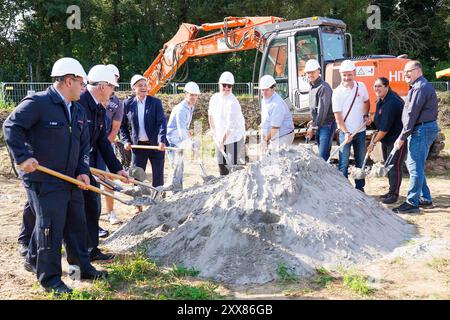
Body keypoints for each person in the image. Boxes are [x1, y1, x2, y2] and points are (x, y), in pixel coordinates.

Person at [3, 57, 108, 294]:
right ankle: (50, 279)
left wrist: (83, 172)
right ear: (69, 80)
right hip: (43, 178)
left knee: (76, 224)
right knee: (50, 227)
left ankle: (80, 268)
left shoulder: (78, 109)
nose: (84, 88)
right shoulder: (39, 103)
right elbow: (12, 127)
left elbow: (83, 146)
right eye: (82, 83)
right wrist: (22, 157)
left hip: (70, 178)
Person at [78, 64, 128, 262]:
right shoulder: (79, 104)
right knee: (68, 209)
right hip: (70, 164)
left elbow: (102, 142)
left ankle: (91, 250)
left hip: (84, 163)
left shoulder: (99, 108)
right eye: (112, 88)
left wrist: (118, 168)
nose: (113, 92)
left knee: (92, 203)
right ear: (101, 87)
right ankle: (33, 246)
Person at [392, 60, 439, 213]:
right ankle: (425, 199)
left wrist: (401, 137)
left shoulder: (419, 87)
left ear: (418, 71)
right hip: (421, 129)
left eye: (409, 71)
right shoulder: (418, 86)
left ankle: (412, 203)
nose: (406, 74)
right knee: (415, 165)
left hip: (421, 130)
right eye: (404, 71)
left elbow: (412, 114)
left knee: (414, 167)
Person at [120, 74, 167, 191]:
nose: (143, 87)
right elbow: (122, 126)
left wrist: (161, 140)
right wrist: (125, 141)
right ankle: (138, 204)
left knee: (158, 175)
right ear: (133, 88)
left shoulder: (155, 102)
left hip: (155, 146)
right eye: (140, 85)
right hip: (138, 146)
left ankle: (158, 199)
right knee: (137, 176)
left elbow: (161, 122)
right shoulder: (127, 104)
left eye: (145, 85)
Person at [332, 59, 370, 192]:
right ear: (341, 74)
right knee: (343, 163)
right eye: (344, 75)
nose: (347, 78)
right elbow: (338, 117)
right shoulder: (337, 92)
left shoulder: (361, 87)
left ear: (354, 73)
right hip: (345, 133)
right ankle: (344, 190)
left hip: (360, 131)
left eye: (349, 74)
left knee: (360, 161)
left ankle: (360, 189)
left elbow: (366, 102)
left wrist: (366, 115)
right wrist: (346, 132)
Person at [367, 77, 406, 204]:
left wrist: (372, 143)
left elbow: (384, 129)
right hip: (387, 139)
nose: (376, 89)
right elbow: (379, 117)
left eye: (379, 86)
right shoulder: (382, 100)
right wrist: (371, 120)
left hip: (397, 139)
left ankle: (394, 195)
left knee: (395, 166)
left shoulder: (392, 102)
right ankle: (390, 191)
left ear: (386, 86)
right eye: (375, 86)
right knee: (388, 166)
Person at [95, 64, 124, 225]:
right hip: (89, 144)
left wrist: (104, 146)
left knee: (106, 179)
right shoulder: (91, 96)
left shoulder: (117, 103)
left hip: (105, 144)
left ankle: (110, 211)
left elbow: (115, 129)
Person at [208, 72, 246, 175]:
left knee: (231, 164)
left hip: (234, 137)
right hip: (220, 135)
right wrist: (213, 130)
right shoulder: (214, 98)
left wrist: (222, 142)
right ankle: (223, 185)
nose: (226, 88)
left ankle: (235, 184)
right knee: (221, 163)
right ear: (219, 84)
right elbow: (211, 115)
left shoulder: (233, 103)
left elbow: (230, 127)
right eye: (224, 85)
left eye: (229, 86)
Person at [165, 82, 200, 189]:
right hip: (173, 141)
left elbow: (185, 127)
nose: (193, 97)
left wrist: (190, 139)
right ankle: (175, 191)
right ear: (185, 94)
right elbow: (181, 130)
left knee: (179, 167)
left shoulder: (191, 106)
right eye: (191, 95)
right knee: (177, 167)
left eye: (195, 95)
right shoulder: (181, 109)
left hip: (180, 140)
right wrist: (190, 143)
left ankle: (175, 189)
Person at [305, 59, 336, 160]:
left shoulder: (323, 87)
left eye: (313, 72)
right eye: (308, 73)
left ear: (319, 71)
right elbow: (316, 109)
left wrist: (313, 127)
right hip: (319, 124)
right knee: (321, 155)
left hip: (326, 125)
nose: (310, 75)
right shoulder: (312, 86)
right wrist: (313, 121)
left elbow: (322, 111)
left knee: (323, 156)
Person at [259, 75, 294, 147]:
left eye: (266, 90)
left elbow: (275, 127)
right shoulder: (265, 99)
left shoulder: (277, 104)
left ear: (273, 89)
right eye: (262, 90)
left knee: (276, 157)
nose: (264, 93)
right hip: (273, 135)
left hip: (283, 137)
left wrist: (265, 140)